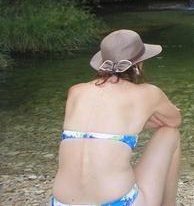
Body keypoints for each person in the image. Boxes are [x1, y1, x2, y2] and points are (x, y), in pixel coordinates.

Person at [51, 29, 182, 206]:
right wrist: (144, 119)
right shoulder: (147, 93)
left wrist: (132, 122)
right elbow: (174, 121)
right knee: (170, 134)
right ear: (138, 64)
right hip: (119, 203)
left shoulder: (76, 91)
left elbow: (98, 126)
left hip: (61, 203)